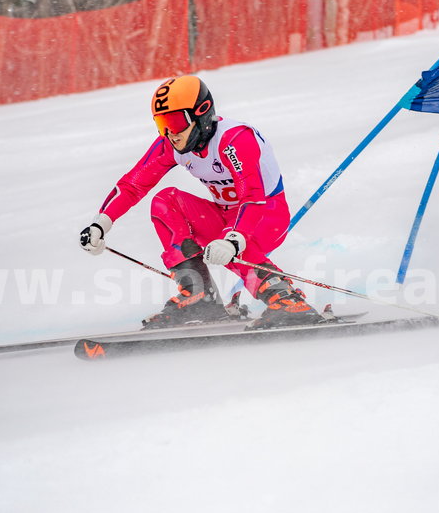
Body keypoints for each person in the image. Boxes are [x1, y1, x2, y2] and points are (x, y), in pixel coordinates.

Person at [79, 75, 324, 329]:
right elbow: (133, 184)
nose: (170, 134)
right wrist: (100, 224)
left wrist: (233, 240)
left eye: (175, 122)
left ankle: (285, 299)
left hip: (265, 216)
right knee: (165, 201)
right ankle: (198, 295)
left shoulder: (235, 139)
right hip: (224, 216)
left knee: (226, 236)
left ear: (202, 113)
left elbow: (252, 196)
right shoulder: (171, 144)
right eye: (162, 124)